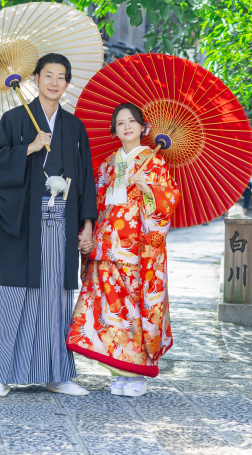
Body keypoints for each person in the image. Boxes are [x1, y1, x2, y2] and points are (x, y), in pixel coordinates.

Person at [0, 53, 98, 397]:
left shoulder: (74, 127)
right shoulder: (15, 118)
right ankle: (0, 374)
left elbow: (86, 179)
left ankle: (57, 374)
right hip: (25, 223)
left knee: (56, 298)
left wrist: (87, 225)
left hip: (61, 224)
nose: (54, 82)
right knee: (15, 295)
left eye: (62, 77)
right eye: (48, 75)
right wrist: (28, 148)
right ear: (35, 78)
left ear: (67, 83)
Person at [66, 103, 181, 397]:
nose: (126, 126)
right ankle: (120, 370)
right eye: (120, 123)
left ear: (144, 128)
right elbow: (95, 203)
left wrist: (149, 191)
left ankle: (138, 375)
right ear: (114, 130)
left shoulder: (156, 163)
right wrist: (88, 230)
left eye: (132, 121)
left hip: (136, 250)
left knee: (132, 312)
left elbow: (169, 202)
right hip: (106, 246)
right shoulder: (107, 165)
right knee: (109, 312)